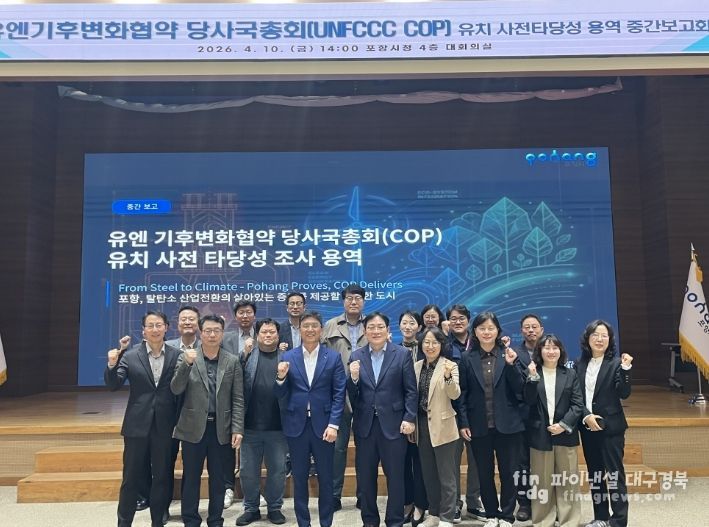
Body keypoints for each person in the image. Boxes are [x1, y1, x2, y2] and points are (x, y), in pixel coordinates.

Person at [104, 311, 180, 527]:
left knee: (162, 477)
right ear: (143, 330)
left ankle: (158, 522)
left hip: (165, 425)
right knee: (131, 478)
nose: (155, 329)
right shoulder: (130, 356)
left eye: (159, 325)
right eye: (150, 325)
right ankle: (124, 522)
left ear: (166, 327)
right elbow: (114, 385)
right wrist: (112, 364)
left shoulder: (176, 355)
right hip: (136, 426)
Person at [171, 314, 244, 527]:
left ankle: (215, 519)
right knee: (191, 477)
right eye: (208, 331)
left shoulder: (232, 360)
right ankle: (190, 519)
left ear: (223, 333)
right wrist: (187, 364)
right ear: (200, 333)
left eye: (216, 331)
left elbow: (238, 398)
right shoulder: (186, 357)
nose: (212, 335)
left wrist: (237, 428)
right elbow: (175, 389)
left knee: (218, 479)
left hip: (221, 428)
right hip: (193, 427)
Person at [274, 311, 346, 527]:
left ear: (321, 329)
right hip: (296, 426)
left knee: (326, 478)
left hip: (324, 427)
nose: (310, 329)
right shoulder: (288, 357)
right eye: (306, 326)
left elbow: (339, 393)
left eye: (314, 325)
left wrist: (334, 424)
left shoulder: (332, 357)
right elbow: (280, 394)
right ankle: (303, 523)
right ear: (300, 329)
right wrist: (280, 378)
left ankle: (326, 522)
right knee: (299, 478)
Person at [348, 312, 417, 527]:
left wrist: (409, 417)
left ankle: (394, 521)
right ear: (364, 331)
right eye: (371, 327)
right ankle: (369, 521)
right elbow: (352, 396)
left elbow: (411, 391)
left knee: (395, 477)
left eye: (380, 327)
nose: (375, 331)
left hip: (395, 425)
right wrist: (353, 379)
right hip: (365, 426)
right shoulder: (356, 356)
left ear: (388, 330)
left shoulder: (402, 354)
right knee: (366, 478)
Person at [457, 311, 526, 527]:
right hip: (479, 425)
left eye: (491, 328)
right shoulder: (467, 358)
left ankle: (507, 515)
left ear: (498, 331)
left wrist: (512, 365)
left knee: (508, 473)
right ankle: (491, 514)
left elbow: (520, 390)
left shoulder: (509, 355)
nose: (486, 332)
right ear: (475, 332)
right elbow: (462, 394)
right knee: (484, 474)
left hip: (508, 425)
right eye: (482, 328)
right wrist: (463, 422)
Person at [576, 320, 633, 527]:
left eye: (604, 336)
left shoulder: (616, 364)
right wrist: (586, 416)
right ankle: (600, 517)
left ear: (610, 340)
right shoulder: (579, 364)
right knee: (596, 475)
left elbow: (624, 393)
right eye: (595, 335)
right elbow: (576, 396)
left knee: (614, 475)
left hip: (611, 428)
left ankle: (618, 520)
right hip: (588, 426)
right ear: (587, 338)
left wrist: (626, 369)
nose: (599, 339)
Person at [524, 334, 583, 527]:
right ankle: (543, 521)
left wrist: (563, 425)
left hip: (565, 434)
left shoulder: (570, 374)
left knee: (568, 480)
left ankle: (569, 521)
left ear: (561, 351)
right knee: (542, 482)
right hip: (540, 434)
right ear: (539, 351)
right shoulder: (533, 372)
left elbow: (577, 404)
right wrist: (532, 377)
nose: (551, 351)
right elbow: (528, 401)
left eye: (555, 347)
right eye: (547, 348)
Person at [237, 318, 289, 526]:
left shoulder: (287, 357)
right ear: (257, 335)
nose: (268, 335)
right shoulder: (248, 356)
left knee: (277, 471)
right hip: (250, 426)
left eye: (272, 332)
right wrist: (244, 353)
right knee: (248, 472)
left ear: (278, 335)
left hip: (278, 427)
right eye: (264, 332)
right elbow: (235, 377)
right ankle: (251, 509)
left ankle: (274, 508)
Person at [322, 284, 368, 511]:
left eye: (357, 298)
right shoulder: (331, 325)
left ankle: (364, 495)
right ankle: (333, 495)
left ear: (363, 301)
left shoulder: (372, 324)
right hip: (338, 394)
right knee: (337, 449)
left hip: (366, 394)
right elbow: (322, 358)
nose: (353, 301)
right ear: (343, 301)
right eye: (349, 298)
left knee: (365, 448)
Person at [413, 327, 461, 527]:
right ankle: (433, 514)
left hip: (444, 426)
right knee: (429, 474)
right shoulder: (416, 366)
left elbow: (455, 394)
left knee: (447, 476)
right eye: (426, 342)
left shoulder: (450, 365)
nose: (430, 346)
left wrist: (448, 377)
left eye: (435, 342)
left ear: (442, 345)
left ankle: (447, 517)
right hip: (422, 426)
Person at [445, 304, 484, 522]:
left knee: (476, 459)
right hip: (449, 410)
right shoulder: (443, 344)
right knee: (452, 461)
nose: (457, 322)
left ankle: (474, 502)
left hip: (475, 410)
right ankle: (454, 504)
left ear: (468, 320)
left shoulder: (479, 342)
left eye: (461, 318)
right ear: (448, 322)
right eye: (453, 318)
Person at [221, 300, 257, 508]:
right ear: (235, 316)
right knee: (228, 443)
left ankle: (252, 490)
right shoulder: (226, 338)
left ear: (254, 315)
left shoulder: (264, 334)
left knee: (251, 443)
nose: (245, 316)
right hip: (230, 395)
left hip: (256, 396)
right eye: (241, 312)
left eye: (248, 312)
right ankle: (228, 487)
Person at [512, 312, 544, 522]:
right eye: (527, 327)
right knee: (522, 462)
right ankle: (524, 503)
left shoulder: (551, 349)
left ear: (541, 329)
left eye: (534, 326)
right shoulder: (515, 354)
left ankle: (545, 502)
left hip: (547, 415)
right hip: (522, 415)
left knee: (545, 463)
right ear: (521, 331)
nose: (531, 330)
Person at [399, 311, 429, 524]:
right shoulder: (393, 349)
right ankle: (407, 502)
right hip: (398, 415)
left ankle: (420, 504)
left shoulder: (427, 349)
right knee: (402, 463)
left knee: (419, 462)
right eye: (404, 323)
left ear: (419, 327)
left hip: (422, 414)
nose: (408, 326)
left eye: (412, 323)